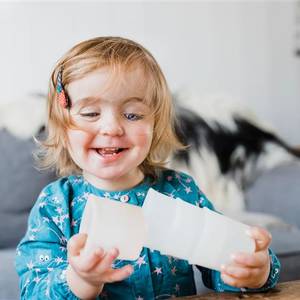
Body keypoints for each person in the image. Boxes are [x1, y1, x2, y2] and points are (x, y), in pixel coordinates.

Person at [15, 36, 280, 299]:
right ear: (62, 127)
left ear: (155, 125)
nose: (112, 128)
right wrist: (81, 279)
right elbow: (34, 290)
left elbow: (223, 263)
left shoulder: (180, 190)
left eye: (132, 115)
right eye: (91, 113)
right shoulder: (57, 205)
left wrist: (253, 270)